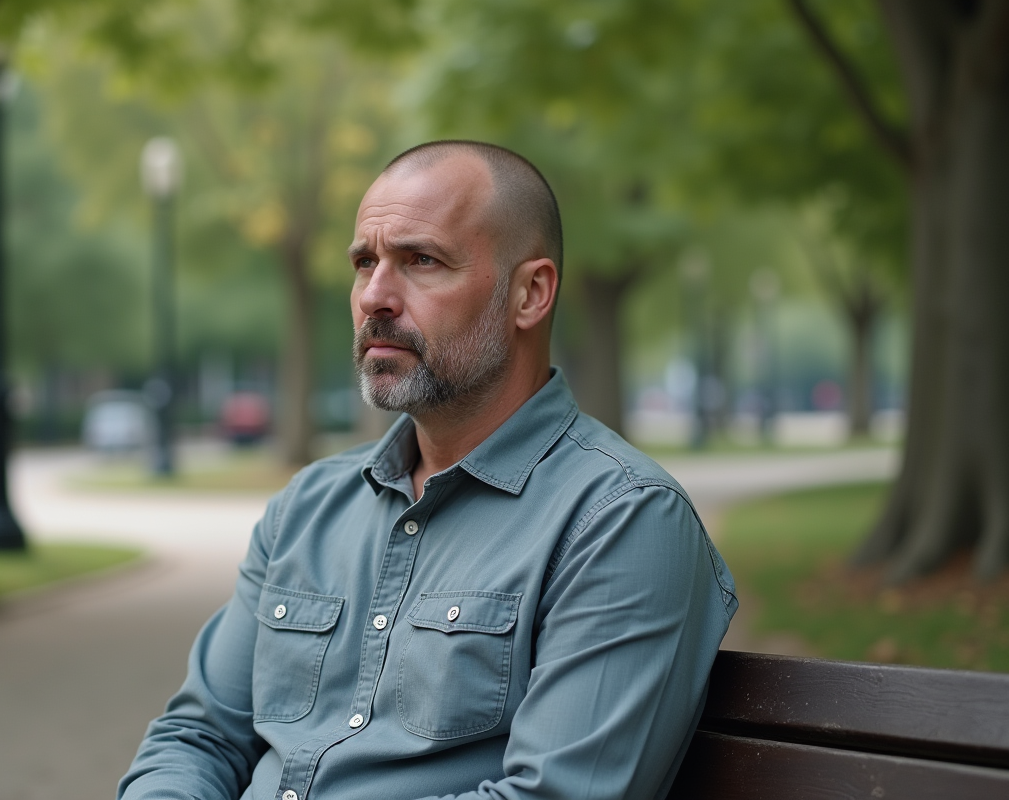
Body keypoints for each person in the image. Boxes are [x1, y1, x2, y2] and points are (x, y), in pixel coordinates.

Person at [118, 141, 736, 800]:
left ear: (530, 293)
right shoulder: (309, 506)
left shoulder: (622, 520)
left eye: (421, 260)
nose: (375, 297)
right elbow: (199, 736)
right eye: (364, 262)